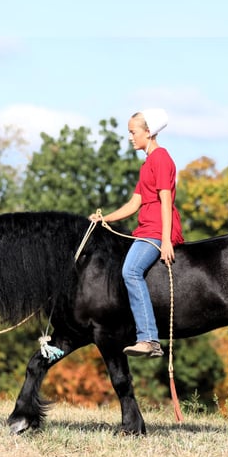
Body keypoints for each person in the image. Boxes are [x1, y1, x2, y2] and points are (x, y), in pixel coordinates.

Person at [89, 108, 184, 357]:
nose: (130, 137)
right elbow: (134, 204)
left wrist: (165, 239)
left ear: (148, 132)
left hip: (156, 231)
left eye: (133, 132)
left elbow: (165, 200)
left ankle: (149, 339)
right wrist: (103, 219)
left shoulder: (161, 159)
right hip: (145, 230)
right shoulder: (148, 164)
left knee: (130, 270)